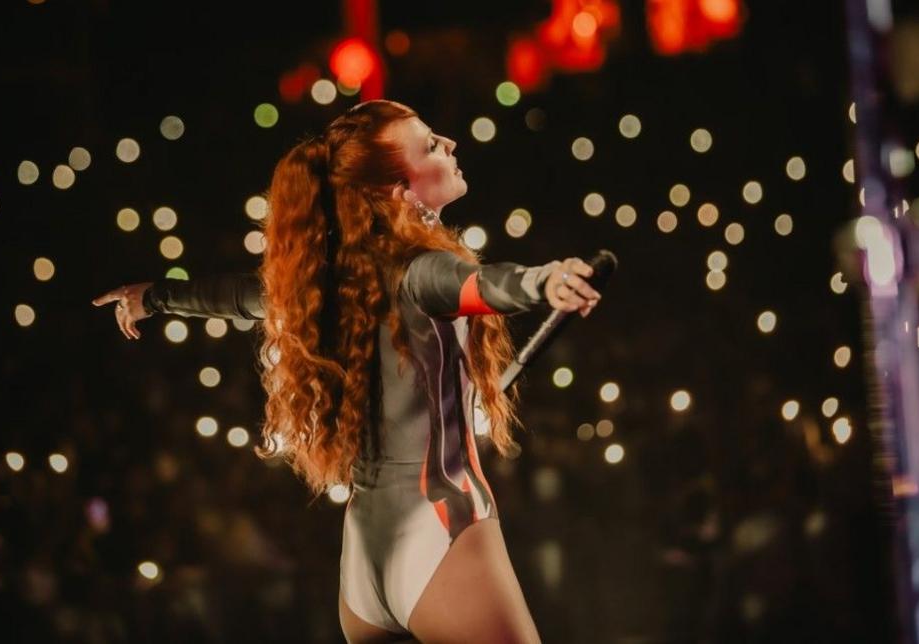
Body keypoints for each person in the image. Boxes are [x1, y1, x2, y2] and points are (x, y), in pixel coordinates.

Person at [93, 100, 601, 643]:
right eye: (430, 145)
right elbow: (490, 285)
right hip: (441, 534)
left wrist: (154, 297)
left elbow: (237, 297)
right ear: (398, 192)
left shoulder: (323, 282)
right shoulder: (420, 272)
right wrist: (546, 280)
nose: (450, 144)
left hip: (364, 565)